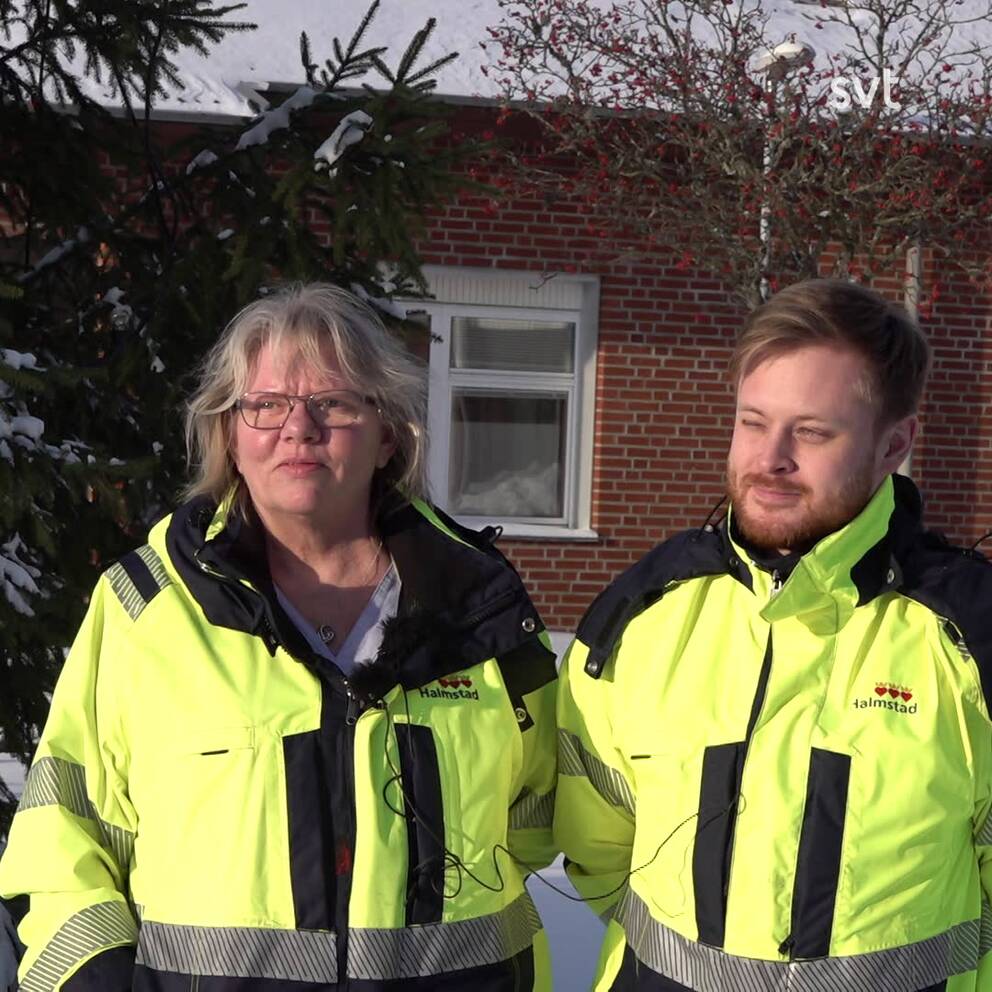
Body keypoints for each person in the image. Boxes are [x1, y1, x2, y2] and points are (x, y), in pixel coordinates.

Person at [0, 283, 558, 991]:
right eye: (265, 404)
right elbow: (63, 837)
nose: (299, 428)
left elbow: (538, 818)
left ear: (388, 435)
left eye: (334, 402)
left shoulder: (476, 609)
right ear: (230, 436)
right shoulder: (147, 608)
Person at [555, 278, 992, 991]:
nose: (770, 458)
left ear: (895, 444)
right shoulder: (644, 616)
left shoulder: (970, 639)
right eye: (753, 422)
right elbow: (596, 841)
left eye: (812, 432)